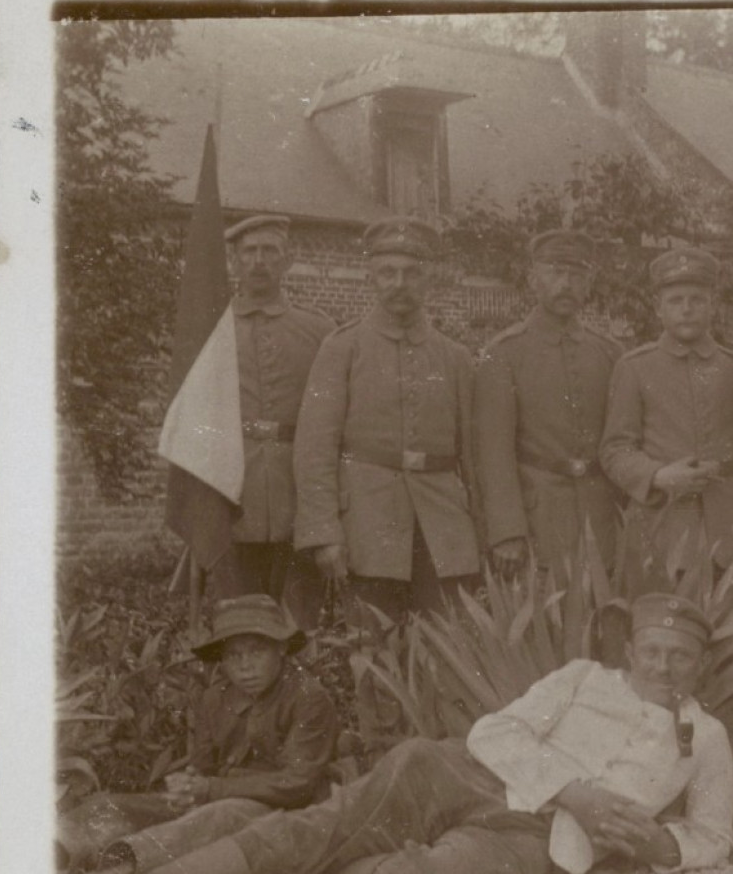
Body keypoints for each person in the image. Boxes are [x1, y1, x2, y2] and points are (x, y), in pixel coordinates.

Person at [65, 592, 733, 874]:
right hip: (457, 773)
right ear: (633, 651)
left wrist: (663, 844)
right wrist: (576, 790)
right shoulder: (583, 678)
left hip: (532, 837)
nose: (663, 665)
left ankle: (315, 858)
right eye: (652, 651)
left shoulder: (705, 738)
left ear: (701, 662)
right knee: (317, 829)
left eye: (679, 655)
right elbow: (493, 734)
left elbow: (713, 835)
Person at [57, 596, 338, 874]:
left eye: (256, 651)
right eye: (233, 656)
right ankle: (51, 851)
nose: (245, 667)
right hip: (217, 795)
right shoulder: (215, 698)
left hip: (281, 808)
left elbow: (297, 783)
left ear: (281, 649)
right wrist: (187, 786)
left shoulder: (308, 697)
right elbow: (203, 766)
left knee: (217, 816)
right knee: (113, 805)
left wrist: (209, 789)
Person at [293, 216, 483, 624]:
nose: (399, 283)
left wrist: (483, 531)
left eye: (411, 273)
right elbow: (314, 449)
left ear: (427, 279)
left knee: (448, 648)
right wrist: (323, 532)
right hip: (367, 525)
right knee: (373, 650)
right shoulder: (342, 348)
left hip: (443, 527)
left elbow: (473, 456)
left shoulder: (456, 358)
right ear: (370, 279)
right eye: (387, 273)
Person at [476, 230, 625, 577]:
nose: (566, 283)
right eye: (555, 272)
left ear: (589, 284)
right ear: (533, 280)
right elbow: (492, 452)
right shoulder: (504, 353)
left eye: (576, 275)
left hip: (601, 515)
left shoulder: (609, 353)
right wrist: (506, 531)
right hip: (537, 516)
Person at [601, 247, 733, 590]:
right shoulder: (636, 367)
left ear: (713, 305)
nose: (686, 309)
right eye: (675, 300)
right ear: (658, 308)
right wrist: (658, 475)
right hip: (662, 523)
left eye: (697, 299)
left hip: (726, 526)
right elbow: (615, 449)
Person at [217, 214, 335, 626]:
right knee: (238, 618)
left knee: (298, 618)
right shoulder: (212, 332)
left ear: (287, 260)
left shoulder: (318, 331)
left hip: (298, 492)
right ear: (234, 261)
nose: (259, 261)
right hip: (232, 493)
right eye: (249, 252)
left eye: (270, 251)